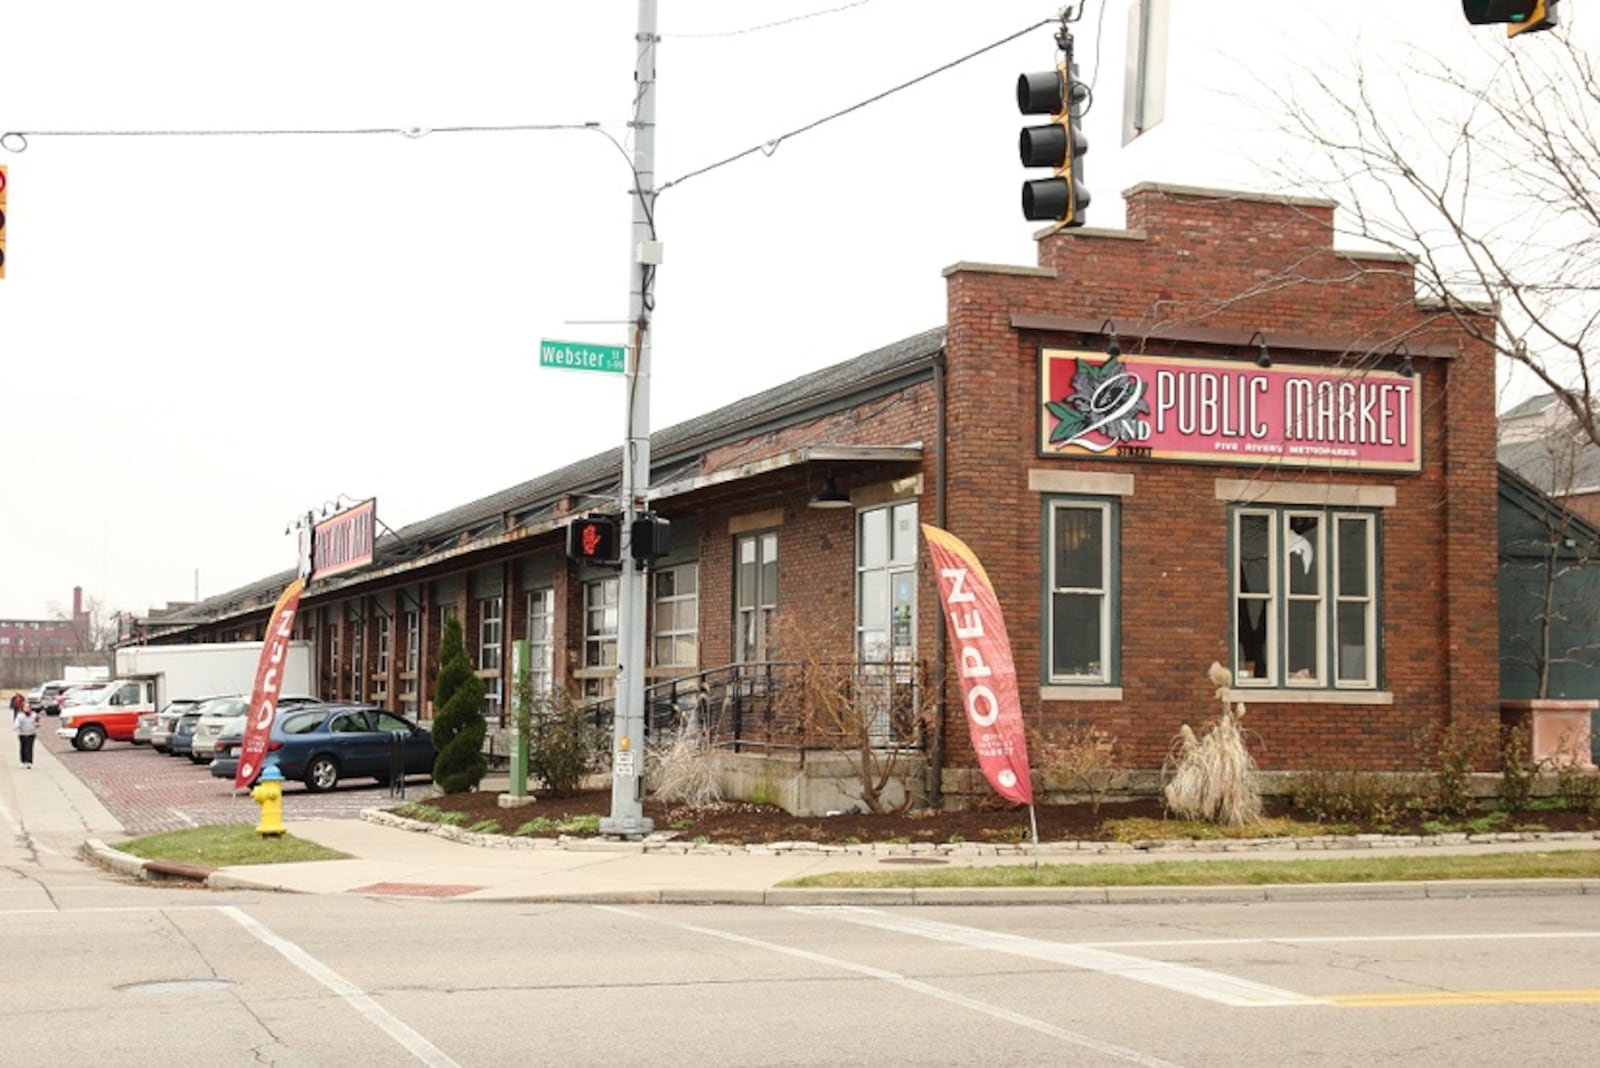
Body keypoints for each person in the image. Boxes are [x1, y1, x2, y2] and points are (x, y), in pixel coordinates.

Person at [13, 694, 38, 768]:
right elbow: (17, 722)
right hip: (22, 734)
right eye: (25, 707)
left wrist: (36, 724)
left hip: (31, 733)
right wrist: (16, 726)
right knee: (23, 747)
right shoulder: (20, 715)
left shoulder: (34, 715)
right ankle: (23, 761)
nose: (27, 708)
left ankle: (29, 762)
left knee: (29, 747)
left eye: (28, 707)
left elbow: (37, 721)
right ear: (22, 708)